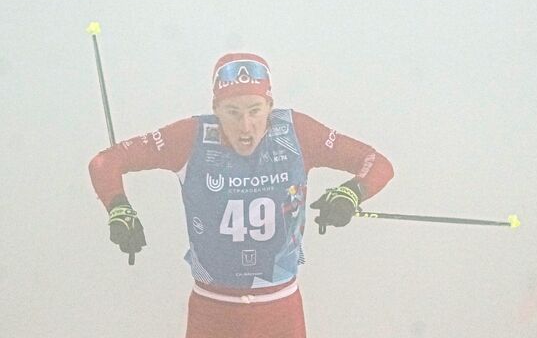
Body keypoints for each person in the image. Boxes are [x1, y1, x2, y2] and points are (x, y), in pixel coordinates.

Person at [89, 52, 394, 337]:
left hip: (281, 312)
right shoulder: (191, 137)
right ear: (215, 110)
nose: (245, 125)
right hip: (212, 312)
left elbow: (377, 163)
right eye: (232, 112)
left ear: (270, 106)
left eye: (255, 110)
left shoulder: (297, 132)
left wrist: (351, 192)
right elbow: (105, 162)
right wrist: (119, 208)